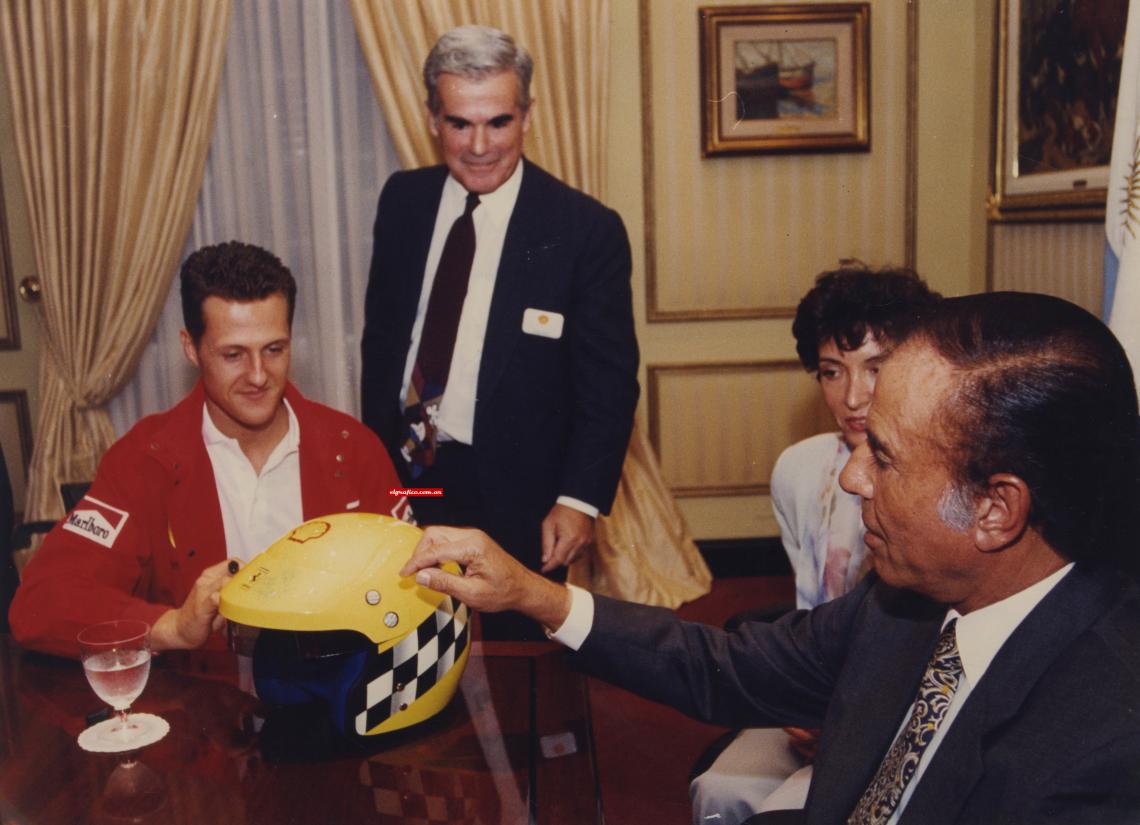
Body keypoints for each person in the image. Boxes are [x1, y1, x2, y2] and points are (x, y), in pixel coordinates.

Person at [402, 292, 1140, 824]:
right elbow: (730, 664)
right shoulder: (912, 600)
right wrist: (536, 594)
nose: (852, 478)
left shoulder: (1106, 748)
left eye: (882, 457)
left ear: (995, 508)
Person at [10, 241, 410, 677]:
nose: (259, 376)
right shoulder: (144, 459)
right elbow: (39, 603)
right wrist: (172, 628)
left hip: (337, 701)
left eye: (274, 349)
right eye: (233, 355)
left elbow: (415, 591)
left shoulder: (354, 447)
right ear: (190, 347)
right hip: (203, 712)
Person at [359, 25, 639, 638]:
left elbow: (608, 387)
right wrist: (373, 465)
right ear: (433, 118)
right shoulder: (403, 201)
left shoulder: (584, 230)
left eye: (499, 122)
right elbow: (382, 344)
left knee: (521, 670)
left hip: (520, 492)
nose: (479, 145)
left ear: (529, 115)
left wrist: (578, 499)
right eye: (460, 123)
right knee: (402, 641)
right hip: (415, 475)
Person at [691, 266, 940, 824]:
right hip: (816, 701)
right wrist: (800, 703)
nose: (852, 396)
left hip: (903, 719)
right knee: (717, 792)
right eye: (832, 372)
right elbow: (812, 618)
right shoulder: (799, 471)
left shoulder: (941, 491)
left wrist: (845, 723)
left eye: (876, 369)